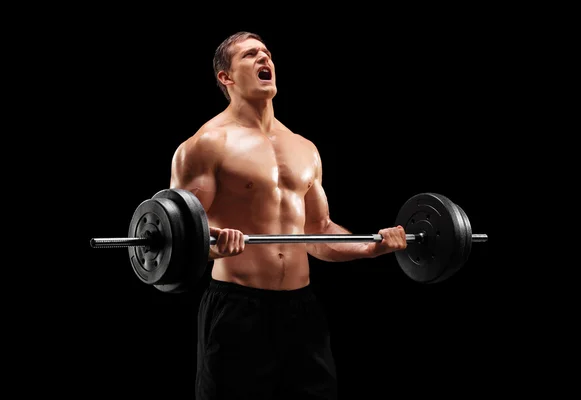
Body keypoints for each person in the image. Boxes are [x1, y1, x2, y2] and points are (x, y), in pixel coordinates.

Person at [169, 31, 407, 400]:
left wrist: (372, 247)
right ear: (225, 77)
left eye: (267, 53)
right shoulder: (206, 144)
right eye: (251, 55)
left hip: (302, 310)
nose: (265, 59)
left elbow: (318, 231)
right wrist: (217, 247)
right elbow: (182, 234)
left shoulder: (304, 149)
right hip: (237, 309)